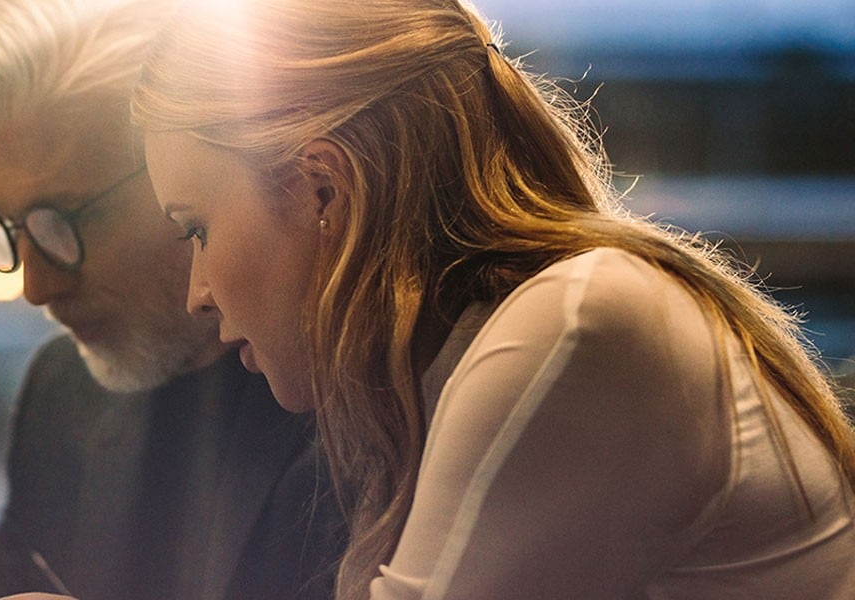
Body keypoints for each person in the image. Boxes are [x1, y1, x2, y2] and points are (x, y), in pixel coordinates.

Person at [131, 0, 855, 598]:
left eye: (195, 228)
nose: (197, 294)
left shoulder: (576, 326)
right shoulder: (477, 357)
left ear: (324, 187)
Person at [0, 1, 346, 599]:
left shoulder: (362, 397)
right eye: (7, 228)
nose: (35, 288)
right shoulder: (61, 391)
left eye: (60, 222)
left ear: (178, 175)